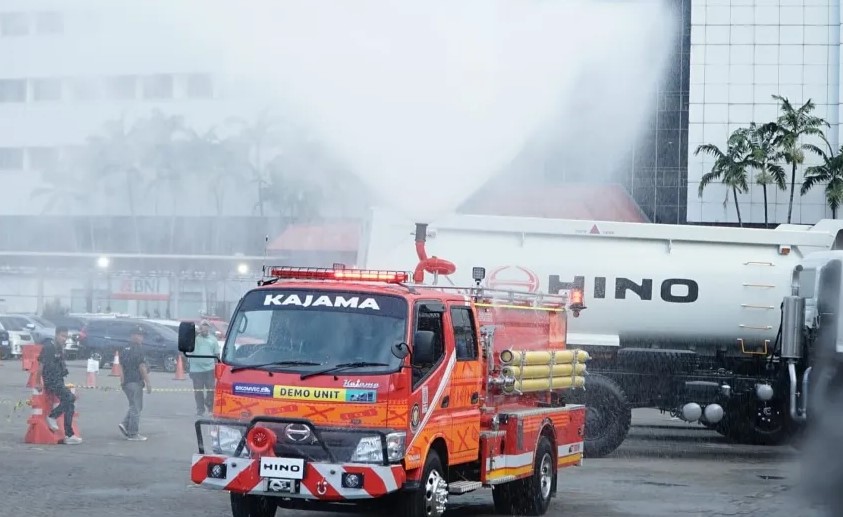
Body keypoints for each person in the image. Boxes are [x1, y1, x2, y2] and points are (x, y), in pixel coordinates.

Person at [34, 327, 82, 444]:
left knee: (70, 405)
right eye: (62, 336)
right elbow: (40, 365)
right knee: (70, 398)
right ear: (56, 335)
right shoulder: (49, 347)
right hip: (51, 380)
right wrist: (38, 382)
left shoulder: (59, 347)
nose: (64, 339)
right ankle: (52, 416)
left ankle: (69, 435)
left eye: (66, 337)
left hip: (58, 380)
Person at [118, 326, 152, 441]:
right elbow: (142, 366)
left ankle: (125, 424)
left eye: (142, 335)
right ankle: (133, 433)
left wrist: (122, 380)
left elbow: (120, 365)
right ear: (132, 335)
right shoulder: (138, 349)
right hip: (135, 381)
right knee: (136, 408)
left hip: (127, 382)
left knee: (135, 406)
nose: (141, 337)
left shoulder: (125, 348)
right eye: (139, 335)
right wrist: (148, 382)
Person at [190, 320, 221, 416]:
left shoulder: (213, 339)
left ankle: (210, 407)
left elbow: (217, 354)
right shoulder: (195, 338)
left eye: (206, 326)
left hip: (209, 369)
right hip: (196, 370)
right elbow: (188, 337)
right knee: (198, 391)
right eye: (203, 326)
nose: (205, 328)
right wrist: (197, 332)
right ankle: (200, 409)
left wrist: (217, 367)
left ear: (209, 328)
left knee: (211, 390)